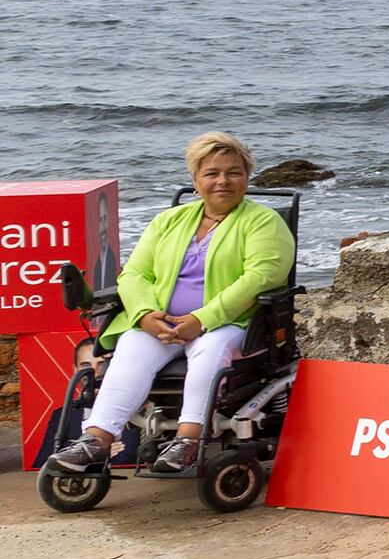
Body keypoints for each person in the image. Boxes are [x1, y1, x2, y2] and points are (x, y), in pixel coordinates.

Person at [42, 134, 294, 477]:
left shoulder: (264, 222)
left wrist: (201, 319)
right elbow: (134, 274)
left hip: (230, 324)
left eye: (234, 172)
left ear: (247, 177)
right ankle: (96, 439)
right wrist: (145, 316)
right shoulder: (168, 221)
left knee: (210, 347)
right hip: (163, 323)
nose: (222, 181)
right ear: (195, 180)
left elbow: (260, 278)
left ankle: (188, 439)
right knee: (131, 345)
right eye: (211, 173)